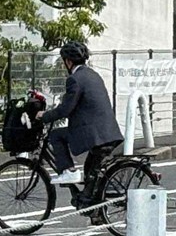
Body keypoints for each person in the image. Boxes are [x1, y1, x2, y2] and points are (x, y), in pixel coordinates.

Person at [36, 41, 124, 189]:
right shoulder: (93, 75)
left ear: (68, 62)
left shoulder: (75, 79)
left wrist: (44, 116)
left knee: (56, 135)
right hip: (108, 132)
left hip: (94, 134)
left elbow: (65, 109)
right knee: (90, 175)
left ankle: (68, 171)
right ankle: (92, 200)